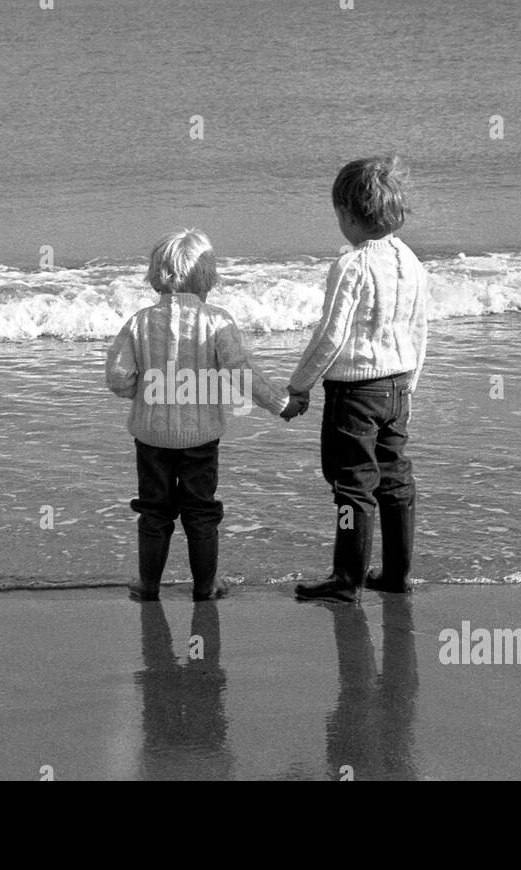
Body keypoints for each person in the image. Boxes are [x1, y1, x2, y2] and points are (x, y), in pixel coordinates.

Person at [107, 229, 288, 601]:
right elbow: (241, 372)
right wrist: (279, 403)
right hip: (201, 438)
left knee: (154, 513)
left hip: (151, 438)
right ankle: (205, 585)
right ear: (208, 276)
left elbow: (118, 376)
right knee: (201, 512)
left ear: (157, 274)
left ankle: (148, 585)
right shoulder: (216, 320)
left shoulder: (140, 322)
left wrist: (137, 393)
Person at [284, 156, 430, 603]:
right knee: (394, 478)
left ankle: (347, 580)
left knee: (351, 483)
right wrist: (411, 382)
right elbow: (420, 327)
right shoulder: (410, 260)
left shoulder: (352, 265)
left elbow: (331, 335)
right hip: (398, 383)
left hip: (355, 391)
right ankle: (397, 575)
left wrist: (300, 385)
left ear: (348, 215)